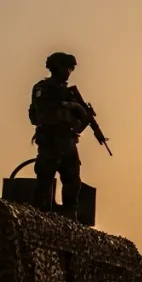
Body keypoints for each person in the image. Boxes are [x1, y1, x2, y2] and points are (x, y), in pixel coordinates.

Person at [28, 51, 89, 216]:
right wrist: (66, 106)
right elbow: (41, 113)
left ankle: (70, 217)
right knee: (44, 181)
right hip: (50, 141)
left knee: (72, 183)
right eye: (68, 68)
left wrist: (78, 109)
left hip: (68, 143)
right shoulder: (42, 88)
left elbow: (80, 122)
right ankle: (39, 215)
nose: (69, 72)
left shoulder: (70, 93)